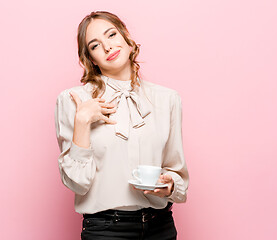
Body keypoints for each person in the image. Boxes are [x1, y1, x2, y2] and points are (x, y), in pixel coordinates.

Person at [54, 10, 189, 240]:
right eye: (95, 45)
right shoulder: (73, 100)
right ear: (90, 58)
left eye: (112, 35)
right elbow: (78, 183)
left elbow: (176, 172)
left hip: (160, 227)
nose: (107, 47)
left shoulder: (167, 99)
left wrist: (168, 186)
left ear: (126, 39)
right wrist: (82, 120)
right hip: (106, 230)